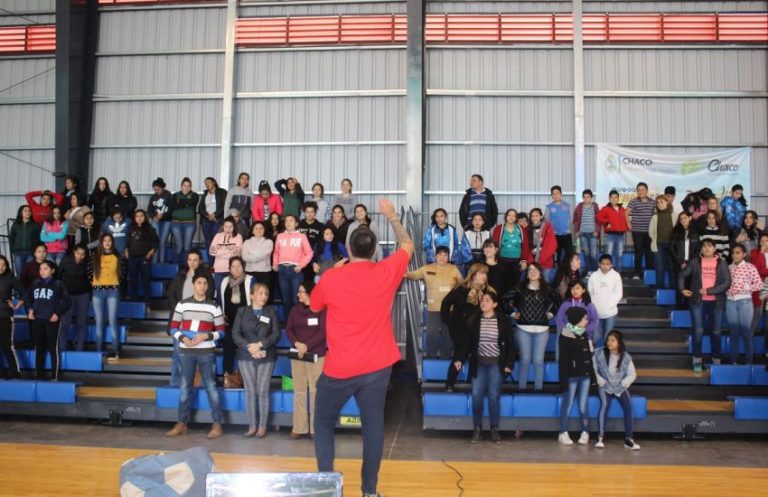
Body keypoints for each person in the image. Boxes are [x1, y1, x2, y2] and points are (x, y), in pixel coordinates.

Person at [309, 197, 413, 497]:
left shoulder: (332, 277)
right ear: (374, 251)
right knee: (373, 428)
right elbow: (408, 246)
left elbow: (315, 306)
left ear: (350, 249)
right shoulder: (386, 271)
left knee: (324, 423)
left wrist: (334, 270)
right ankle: (369, 491)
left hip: (340, 368)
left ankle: (327, 490)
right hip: (378, 367)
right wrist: (392, 216)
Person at [165, 274, 226, 439]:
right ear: (193, 285)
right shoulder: (182, 305)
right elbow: (173, 328)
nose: (202, 286)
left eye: (205, 283)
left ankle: (217, 424)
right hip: (186, 351)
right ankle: (182, 423)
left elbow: (221, 332)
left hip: (206, 352)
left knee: (211, 388)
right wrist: (183, 338)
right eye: (199, 282)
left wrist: (206, 336)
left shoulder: (214, 306)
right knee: (185, 388)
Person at [454, 290, 514, 444]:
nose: (483, 302)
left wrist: (509, 364)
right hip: (479, 363)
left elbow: (511, 345)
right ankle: (477, 428)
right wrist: (459, 358)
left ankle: (494, 428)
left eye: (487, 300)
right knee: (476, 396)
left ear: (494, 304)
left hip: (496, 364)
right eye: (482, 300)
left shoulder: (503, 321)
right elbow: (467, 342)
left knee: (494, 397)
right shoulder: (475, 320)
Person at [232, 282, 280, 437]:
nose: (264, 296)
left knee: (263, 391)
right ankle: (252, 426)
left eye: (266, 294)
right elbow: (235, 334)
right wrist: (250, 348)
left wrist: (260, 345)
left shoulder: (271, 311)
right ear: (252, 295)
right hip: (246, 355)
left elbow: (275, 334)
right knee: (250, 391)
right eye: (260, 293)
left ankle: (262, 427)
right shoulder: (242, 311)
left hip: (266, 355)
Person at [502, 263, 557, 391]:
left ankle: (539, 390)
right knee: (525, 360)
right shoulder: (520, 287)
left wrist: (551, 313)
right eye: (530, 270)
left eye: (535, 270)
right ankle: (522, 389)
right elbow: (503, 299)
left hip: (542, 330)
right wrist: (511, 312)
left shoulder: (547, 288)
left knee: (538, 361)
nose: (532, 272)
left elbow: (558, 300)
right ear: (526, 273)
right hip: (523, 329)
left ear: (540, 273)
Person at [678, 239, 731, 372]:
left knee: (716, 332)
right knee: (698, 331)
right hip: (698, 302)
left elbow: (727, 283)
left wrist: (709, 291)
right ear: (701, 250)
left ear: (714, 249)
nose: (707, 249)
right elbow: (681, 275)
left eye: (709, 246)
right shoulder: (695, 262)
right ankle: (697, 361)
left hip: (716, 302)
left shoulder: (722, 263)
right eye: (704, 247)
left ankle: (716, 361)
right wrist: (682, 289)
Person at [166, 249, 214, 387]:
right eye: (190, 259)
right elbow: (171, 294)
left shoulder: (207, 277)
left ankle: (203, 387)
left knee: (203, 358)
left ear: (200, 261)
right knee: (177, 356)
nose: (192, 262)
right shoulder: (180, 274)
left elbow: (209, 296)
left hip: (200, 323)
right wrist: (180, 311)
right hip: (180, 323)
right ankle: (174, 385)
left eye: (195, 260)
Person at [286, 280, 327, 439]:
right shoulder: (295, 310)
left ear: (310, 293)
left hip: (316, 355)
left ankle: (316, 428)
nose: (298, 294)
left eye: (301, 291)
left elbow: (323, 332)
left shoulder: (321, 309)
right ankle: (299, 427)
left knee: (316, 391)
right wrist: (297, 344)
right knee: (299, 390)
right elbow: (289, 329)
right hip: (298, 355)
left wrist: (307, 346)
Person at [441, 263, 491, 390]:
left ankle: (470, 383)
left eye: (485, 273)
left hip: (478, 329)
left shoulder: (487, 291)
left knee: (475, 356)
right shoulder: (461, 288)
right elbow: (446, 303)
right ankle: (450, 384)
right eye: (481, 273)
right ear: (473, 275)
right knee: (460, 357)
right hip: (460, 329)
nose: (484, 276)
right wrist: (447, 320)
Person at [405, 246, 462, 358]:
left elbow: (462, 285)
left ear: (448, 257)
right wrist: (404, 274)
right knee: (431, 334)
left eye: (445, 255)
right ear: (435, 256)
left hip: (450, 310)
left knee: (448, 335)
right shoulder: (427, 268)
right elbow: (414, 274)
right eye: (439, 254)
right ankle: (431, 356)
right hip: (433, 309)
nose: (442, 257)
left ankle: (445, 356)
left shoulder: (454, 269)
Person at [593, 330, 640, 450]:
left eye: (612, 340)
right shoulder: (598, 353)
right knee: (604, 405)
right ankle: (600, 437)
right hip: (604, 386)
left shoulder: (626, 357)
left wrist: (624, 383)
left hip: (620, 387)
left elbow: (632, 374)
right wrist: (600, 380)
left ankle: (629, 439)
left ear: (619, 343)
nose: (609, 342)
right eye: (608, 340)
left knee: (628, 407)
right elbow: (592, 369)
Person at [26, 260, 70, 381]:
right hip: (37, 320)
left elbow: (67, 301)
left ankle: (55, 375)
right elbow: (27, 297)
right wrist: (30, 310)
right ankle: (38, 375)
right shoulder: (35, 283)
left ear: (52, 270)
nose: (42, 271)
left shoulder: (58, 284)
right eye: (41, 269)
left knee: (52, 348)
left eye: (45, 268)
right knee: (39, 348)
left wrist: (57, 313)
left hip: (51, 320)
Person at [557, 306, 595, 446]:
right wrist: (563, 380)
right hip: (571, 375)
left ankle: (585, 431)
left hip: (585, 375)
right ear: (577, 320)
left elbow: (588, 356)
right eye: (585, 318)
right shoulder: (565, 335)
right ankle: (563, 432)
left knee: (583, 404)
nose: (587, 320)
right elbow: (563, 360)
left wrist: (592, 375)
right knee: (567, 404)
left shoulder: (584, 334)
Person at [89, 234, 126, 360]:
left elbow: (123, 273)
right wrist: (95, 285)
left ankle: (115, 350)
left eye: (109, 240)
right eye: (105, 240)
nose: (107, 242)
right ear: (101, 242)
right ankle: (99, 350)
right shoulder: (95, 256)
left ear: (112, 242)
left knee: (112, 320)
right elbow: (89, 273)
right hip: (97, 291)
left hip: (112, 290)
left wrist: (114, 283)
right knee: (99, 321)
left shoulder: (117, 256)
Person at [726, 244, 764, 365]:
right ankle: (733, 361)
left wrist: (747, 287)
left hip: (745, 302)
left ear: (743, 254)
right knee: (733, 332)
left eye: (737, 253)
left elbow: (759, 284)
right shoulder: (728, 267)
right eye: (733, 253)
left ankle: (749, 362)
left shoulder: (750, 267)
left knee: (746, 332)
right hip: (730, 302)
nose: (734, 255)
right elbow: (723, 284)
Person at [220, 257, 253, 388]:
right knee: (228, 352)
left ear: (243, 267)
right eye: (233, 267)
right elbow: (219, 301)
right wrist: (221, 316)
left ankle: (246, 380)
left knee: (245, 353)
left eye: (239, 266)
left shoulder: (250, 280)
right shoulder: (224, 282)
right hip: (229, 325)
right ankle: (228, 379)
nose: (237, 269)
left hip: (246, 325)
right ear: (229, 269)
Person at [273, 215, 313, 312]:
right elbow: (276, 252)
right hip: (282, 269)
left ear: (296, 224)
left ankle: (298, 323)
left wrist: (301, 265)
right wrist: (275, 264)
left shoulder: (302, 236)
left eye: (291, 221)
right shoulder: (280, 236)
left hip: (295, 270)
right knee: (286, 300)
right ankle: (288, 325)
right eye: (286, 221)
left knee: (297, 300)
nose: (288, 223)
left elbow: (309, 253)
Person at [58, 245, 91, 351]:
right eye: (78, 253)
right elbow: (58, 276)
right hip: (68, 296)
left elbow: (91, 278)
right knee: (65, 323)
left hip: (83, 295)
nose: (80, 256)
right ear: (73, 252)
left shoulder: (88, 262)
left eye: (82, 254)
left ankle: (80, 348)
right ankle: (62, 349)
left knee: (81, 322)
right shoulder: (66, 259)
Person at [588, 254, 623, 349]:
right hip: (596, 313)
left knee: (607, 338)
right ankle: (593, 357)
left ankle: (606, 358)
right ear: (599, 264)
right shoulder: (593, 276)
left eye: (607, 264)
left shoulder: (616, 276)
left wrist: (609, 305)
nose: (605, 266)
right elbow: (589, 292)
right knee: (594, 337)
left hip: (610, 313)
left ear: (611, 265)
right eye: (603, 264)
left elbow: (619, 294)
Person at [125, 210, 159, 302]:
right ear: (134, 218)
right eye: (137, 216)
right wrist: (126, 250)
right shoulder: (131, 228)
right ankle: (134, 302)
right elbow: (127, 242)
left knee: (146, 280)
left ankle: (147, 302)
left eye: (141, 216)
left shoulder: (149, 228)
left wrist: (151, 252)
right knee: (133, 280)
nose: (139, 218)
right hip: (132, 257)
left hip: (144, 257)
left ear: (145, 217)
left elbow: (156, 242)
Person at [0, 255, 25, 378]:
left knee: (6, 345)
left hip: (5, 316)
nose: (1, 267)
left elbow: (25, 292)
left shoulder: (10, 278)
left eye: (4, 264)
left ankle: (16, 373)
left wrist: (17, 304)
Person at [670, 211, 700, 309]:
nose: (683, 220)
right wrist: (680, 262)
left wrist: (690, 263)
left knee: (690, 286)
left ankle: (688, 308)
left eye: (685, 218)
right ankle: (679, 308)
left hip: (691, 264)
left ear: (690, 218)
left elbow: (697, 249)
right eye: (681, 218)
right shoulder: (675, 231)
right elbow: (671, 248)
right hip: (679, 264)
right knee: (679, 286)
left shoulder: (695, 231)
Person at [491, 209, 529, 285]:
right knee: (503, 282)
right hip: (502, 260)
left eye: (514, 215)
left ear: (516, 218)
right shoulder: (499, 228)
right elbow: (494, 244)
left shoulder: (521, 228)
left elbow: (525, 245)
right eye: (509, 215)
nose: (511, 217)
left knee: (515, 283)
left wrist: (524, 260)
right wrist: (494, 259)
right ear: (506, 216)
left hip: (517, 261)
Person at [626, 182, 655, 280]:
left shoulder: (653, 202)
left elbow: (656, 215)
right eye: (639, 190)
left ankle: (649, 273)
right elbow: (626, 213)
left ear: (647, 191)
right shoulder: (633, 201)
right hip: (637, 231)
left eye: (643, 189)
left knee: (649, 253)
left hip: (650, 232)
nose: (641, 191)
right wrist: (629, 224)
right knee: (638, 252)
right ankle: (637, 273)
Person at [209, 217, 244, 297]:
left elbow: (236, 254)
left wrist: (219, 252)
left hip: (233, 270)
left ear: (234, 227)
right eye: (226, 226)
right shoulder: (218, 236)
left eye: (230, 227)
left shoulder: (238, 236)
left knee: (232, 294)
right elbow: (211, 251)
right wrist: (229, 251)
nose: (228, 229)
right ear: (223, 227)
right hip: (218, 269)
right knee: (219, 292)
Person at [556, 280, 599, 344]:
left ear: (583, 290)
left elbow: (595, 320)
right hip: (568, 337)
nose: (575, 291)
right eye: (572, 288)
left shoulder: (589, 305)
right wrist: (569, 330)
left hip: (584, 338)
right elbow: (559, 319)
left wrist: (585, 330)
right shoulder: (565, 304)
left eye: (578, 288)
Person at [596, 190, 628, 274]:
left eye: (615, 197)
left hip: (620, 235)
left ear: (618, 198)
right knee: (608, 254)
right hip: (610, 235)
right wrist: (606, 222)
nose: (614, 199)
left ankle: (619, 272)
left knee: (619, 254)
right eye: (612, 197)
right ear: (609, 199)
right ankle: (608, 272)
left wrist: (627, 227)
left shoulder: (622, 209)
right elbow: (598, 218)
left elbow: (626, 219)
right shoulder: (605, 208)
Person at [170, 177, 199, 264]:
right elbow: (172, 205)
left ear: (190, 187)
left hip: (190, 224)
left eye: (188, 186)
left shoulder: (194, 195)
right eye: (184, 185)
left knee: (187, 247)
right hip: (176, 223)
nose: (186, 188)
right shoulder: (175, 195)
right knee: (179, 246)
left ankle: (188, 267)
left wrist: (179, 202)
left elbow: (191, 202)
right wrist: (186, 203)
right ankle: (175, 268)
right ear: (181, 186)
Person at [649, 194, 675, 288]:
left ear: (667, 203)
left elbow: (677, 231)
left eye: (662, 202)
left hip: (672, 246)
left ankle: (673, 289)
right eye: (658, 202)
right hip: (659, 245)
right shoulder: (655, 217)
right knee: (659, 268)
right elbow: (651, 232)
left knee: (672, 268)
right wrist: (656, 239)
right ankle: (659, 289)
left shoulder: (674, 216)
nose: (660, 204)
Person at [573, 189, 600, 273]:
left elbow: (599, 220)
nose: (586, 199)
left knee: (593, 253)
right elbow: (575, 219)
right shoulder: (579, 207)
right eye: (584, 197)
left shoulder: (595, 207)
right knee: (586, 253)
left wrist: (597, 231)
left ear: (591, 198)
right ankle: (588, 269)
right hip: (583, 233)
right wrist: (577, 231)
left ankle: (595, 270)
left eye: (588, 197)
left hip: (593, 233)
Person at [10, 205, 41, 276]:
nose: (28, 212)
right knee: (20, 275)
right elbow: (12, 238)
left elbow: (39, 240)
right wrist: (13, 250)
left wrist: (35, 251)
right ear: (21, 212)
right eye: (25, 210)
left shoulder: (35, 225)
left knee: (30, 274)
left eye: (29, 210)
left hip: (30, 253)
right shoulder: (15, 225)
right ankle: (20, 287)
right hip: (18, 254)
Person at [527, 208, 557, 282]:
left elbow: (552, 245)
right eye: (532, 216)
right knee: (534, 283)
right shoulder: (528, 229)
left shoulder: (547, 227)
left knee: (546, 283)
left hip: (545, 262)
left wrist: (541, 261)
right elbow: (528, 247)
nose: (534, 218)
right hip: (533, 263)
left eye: (536, 216)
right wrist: (532, 262)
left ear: (541, 216)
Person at [198, 177, 228, 251]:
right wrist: (207, 215)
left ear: (214, 182)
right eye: (205, 183)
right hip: (206, 220)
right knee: (208, 242)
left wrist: (214, 214)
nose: (206, 184)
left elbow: (224, 205)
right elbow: (200, 208)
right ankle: (211, 262)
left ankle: (217, 261)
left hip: (218, 220)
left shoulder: (222, 192)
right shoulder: (205, 194)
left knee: (217, 241)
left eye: (208, 182)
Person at [241, 221, 274, 288]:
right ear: (252, 231)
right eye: (256, 228)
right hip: (250, 271)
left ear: (264, 230)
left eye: (261, 228)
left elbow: (264, 254)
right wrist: (258, 255)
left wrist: (251, 253)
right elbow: (244, 257)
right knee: (250, 294)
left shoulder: (269, 242)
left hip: (265, 272)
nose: (259, 230)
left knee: (264, 295)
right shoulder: (247, 242)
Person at [147, 178, 172, 264]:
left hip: (166, 221)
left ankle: (161, 262)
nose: (156, 191)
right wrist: (153, 216)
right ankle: (154, 262)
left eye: (158, 189)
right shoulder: (153, 196)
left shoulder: (168, 195)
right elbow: (149, 209)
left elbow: (171, 209)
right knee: (155, 240)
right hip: (156, 220)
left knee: (162, 241)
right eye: (155, 190)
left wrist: (163, 215)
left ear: (162, 187)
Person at [546, 185, 572, 265]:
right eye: (553, 194)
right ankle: (558, 272)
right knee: (557, 255)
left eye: (557, 193)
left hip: (567, 234)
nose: (555, 195)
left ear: (561, 194)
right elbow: (547, 221)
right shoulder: (549, 207)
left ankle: (570, 272)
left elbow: (571, 219)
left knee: (570, 255)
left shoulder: (567, 206)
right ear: (551, 196)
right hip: (555, 235)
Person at [750, 233, 768, 338]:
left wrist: (764, 271)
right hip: (759, 285)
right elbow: (756, 270)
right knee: (757, 312)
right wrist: (761, 252)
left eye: (766, 240)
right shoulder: (755, 253)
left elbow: (762, 270)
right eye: (762, 241)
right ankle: (750, 335)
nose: (764, 243)